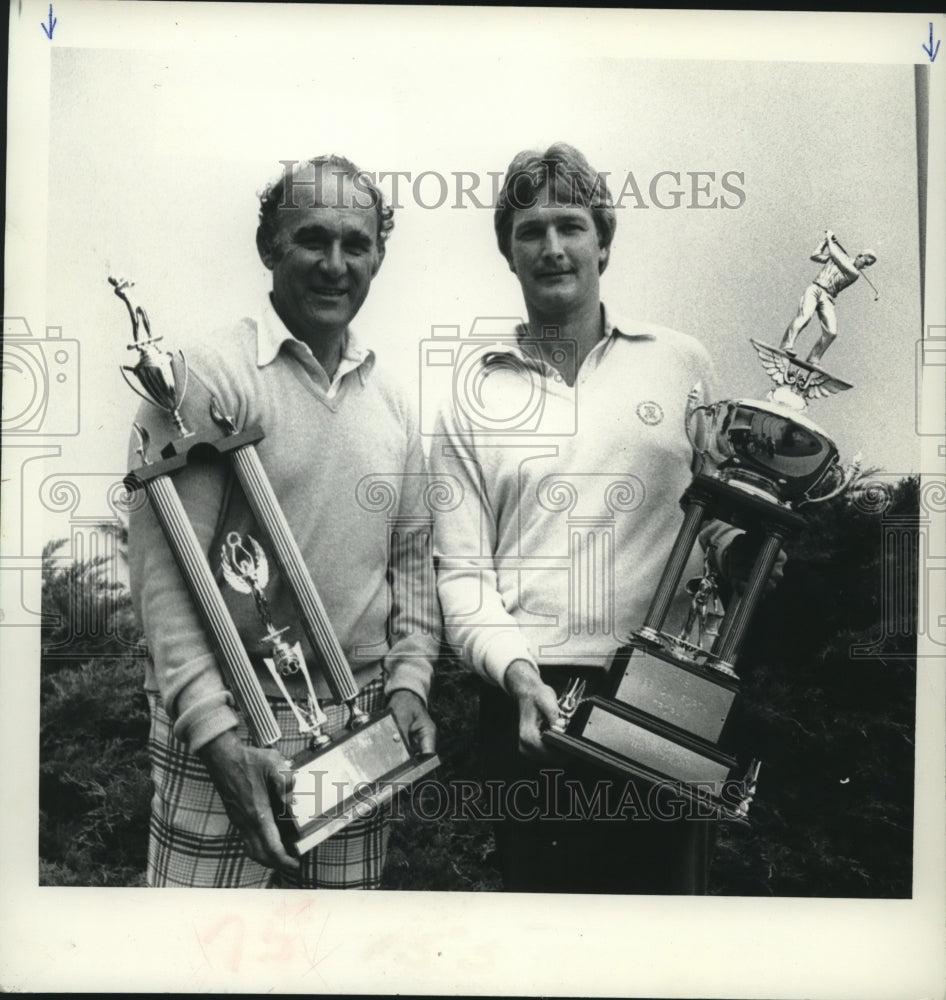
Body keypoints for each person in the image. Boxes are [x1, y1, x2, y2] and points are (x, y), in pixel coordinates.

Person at [430, 143, 774, 894]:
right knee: (552, 947)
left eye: (571, 225)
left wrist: (746, 556)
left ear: (605, 242)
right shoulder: (468, 394)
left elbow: (711, 519)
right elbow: (461, 579)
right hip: (531, 702)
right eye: (530, 230)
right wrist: (519, 679)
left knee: (666, 945)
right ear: (508, 254)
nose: (552, 247)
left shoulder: (682, 364)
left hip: (666, 695)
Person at [128, 155, 439, 889]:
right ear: (270, 246)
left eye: (356, 245)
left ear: (378, 257)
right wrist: (215, 737)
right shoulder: (206, 376)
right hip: (232, 723)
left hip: (361, 721)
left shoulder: (394, 404)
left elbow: (414, 567)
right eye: (313, 240)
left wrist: (410, 686)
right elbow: (165, 580)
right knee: (194, 958)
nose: (335, 265)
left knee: (333, 959)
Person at [780, 230, 876, 364]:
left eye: (867, 265)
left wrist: (830, 239)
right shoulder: (839, 256)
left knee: (831, 332)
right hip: (815, 289)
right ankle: (786, 345)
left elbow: (836, 256)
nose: (864, 266)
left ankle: (814, 357)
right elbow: (815, 256)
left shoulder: (854, 273)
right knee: (805, 317)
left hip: (828, 298)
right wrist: (824, 242)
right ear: (860, 256)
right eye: (865, 262)